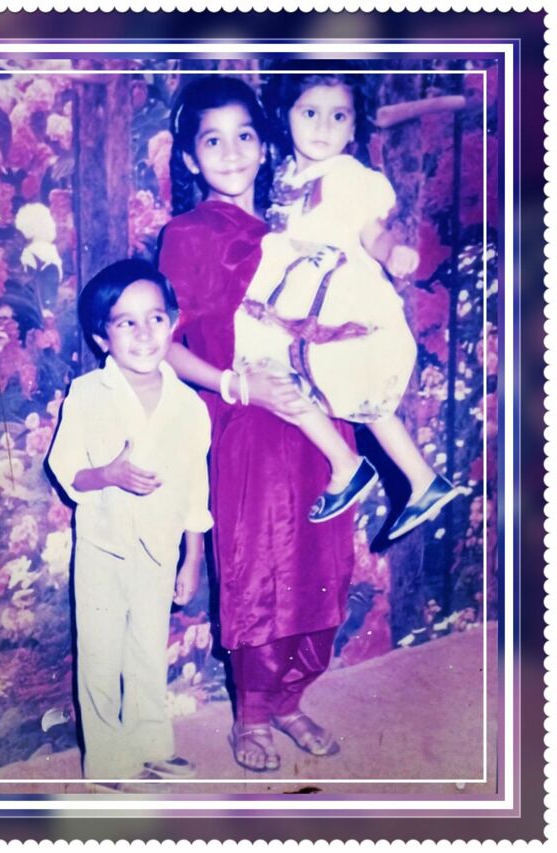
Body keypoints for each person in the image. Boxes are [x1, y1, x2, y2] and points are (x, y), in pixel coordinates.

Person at [159, 75, 355, 773]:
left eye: (244, 135)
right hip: (247, 424)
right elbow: (166, 343)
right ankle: (254, 712)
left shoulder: (298, 219)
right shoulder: (187, 234)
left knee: (325, 563)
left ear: (266, 144)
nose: (233, 151)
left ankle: (293, 698)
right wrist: (234, 384)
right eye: (213, 141)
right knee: (261, 567)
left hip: (319, 416)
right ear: (191, 158)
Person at [233, 73, 468, 539]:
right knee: (275, 370)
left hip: (335, 296)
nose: (323, 127)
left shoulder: (349, 176)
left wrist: (392, 251)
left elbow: (373, 232)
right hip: (294, 296)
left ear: (353, 127)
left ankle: (379, 472)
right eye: (310, 113)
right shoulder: (286, 174)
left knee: (353, 385)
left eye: (338, 116)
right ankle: (401, 476)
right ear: (285, 115)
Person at [47, 258, 213, 781]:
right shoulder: (88, 395)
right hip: (104, 547)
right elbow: (66, 472)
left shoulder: (189, 406)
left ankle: (151, 744)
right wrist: (109, 474)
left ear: (173, 322)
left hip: (160, 550)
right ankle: (107, 760)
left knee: (147, 649)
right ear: (103, 338)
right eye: (126, 322)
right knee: (100, 653)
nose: (144, 334)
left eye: (155, 318)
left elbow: (196, 488)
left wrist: (193, 558)